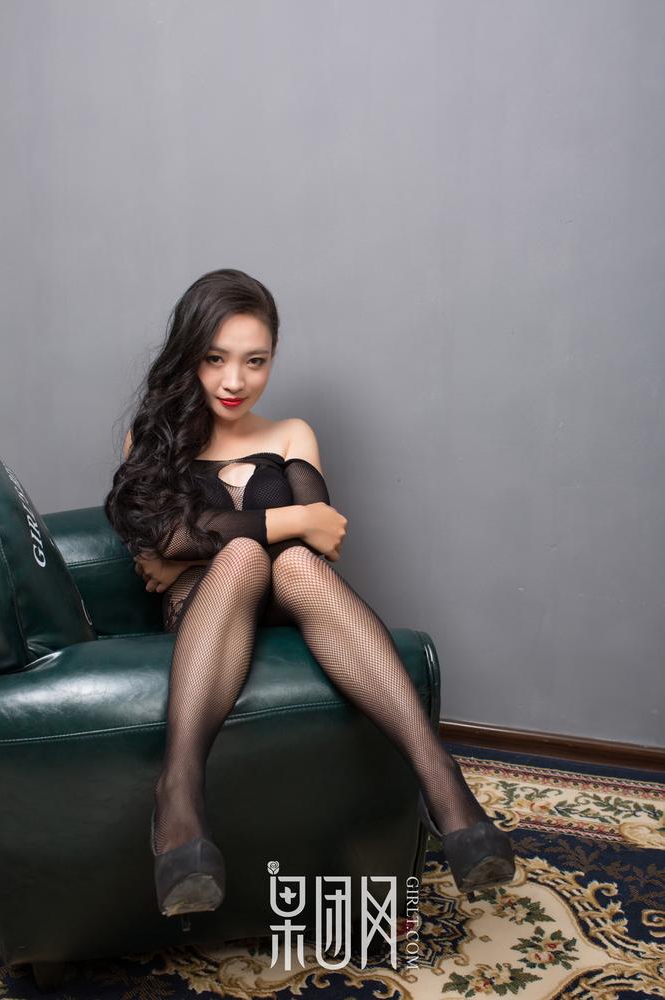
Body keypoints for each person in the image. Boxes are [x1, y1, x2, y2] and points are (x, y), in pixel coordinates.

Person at [104, 267, 516, 918]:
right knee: (247, 555)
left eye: (255, 361)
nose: (235, 381)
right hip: (206, 612)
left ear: (273, 358)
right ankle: (177, 794)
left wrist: (198, 541)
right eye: (215, 359)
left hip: (290, 598)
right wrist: (284, 519)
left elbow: (319, 539)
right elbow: (169, 534)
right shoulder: (152, 438)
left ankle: (440, 780)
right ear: (188, 356)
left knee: (293, 564)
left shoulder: (292, 433)